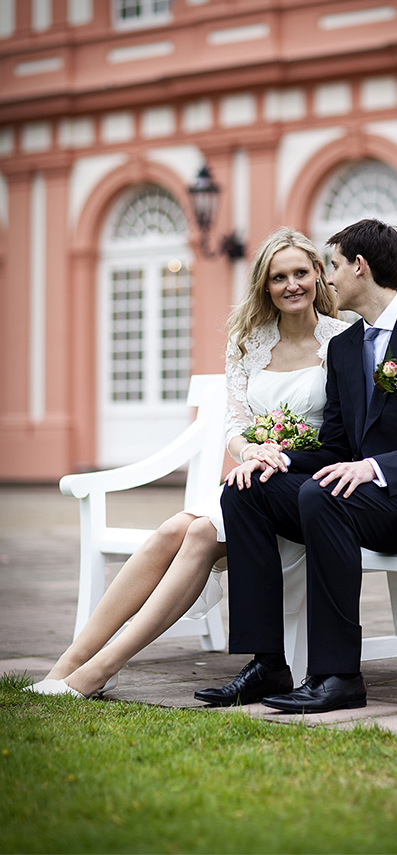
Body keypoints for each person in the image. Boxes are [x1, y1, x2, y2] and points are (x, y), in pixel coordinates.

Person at [197, 218, 397, 714]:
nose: (327, 279)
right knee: (247, 490)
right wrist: (276, 457)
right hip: (360, 500)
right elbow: (337, 445)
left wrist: (373, 468)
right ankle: (268, 662)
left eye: (334, 266)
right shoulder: (344, 346)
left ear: (359, 268)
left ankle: (338, 674)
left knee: (322, 497)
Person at [25, 228, 349, 698]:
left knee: (196, 530)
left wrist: (285, 455)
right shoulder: (248, 343)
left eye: (301, 272)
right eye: (279, 277)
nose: (291, 284)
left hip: (306, 489)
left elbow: (345, 432)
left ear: (319, 275)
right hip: (253, 480)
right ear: (265, 286)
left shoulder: (345, 341)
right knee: (172, 530)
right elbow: (235, 425)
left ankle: (97, 671)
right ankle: (71, 664)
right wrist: (250, 451)